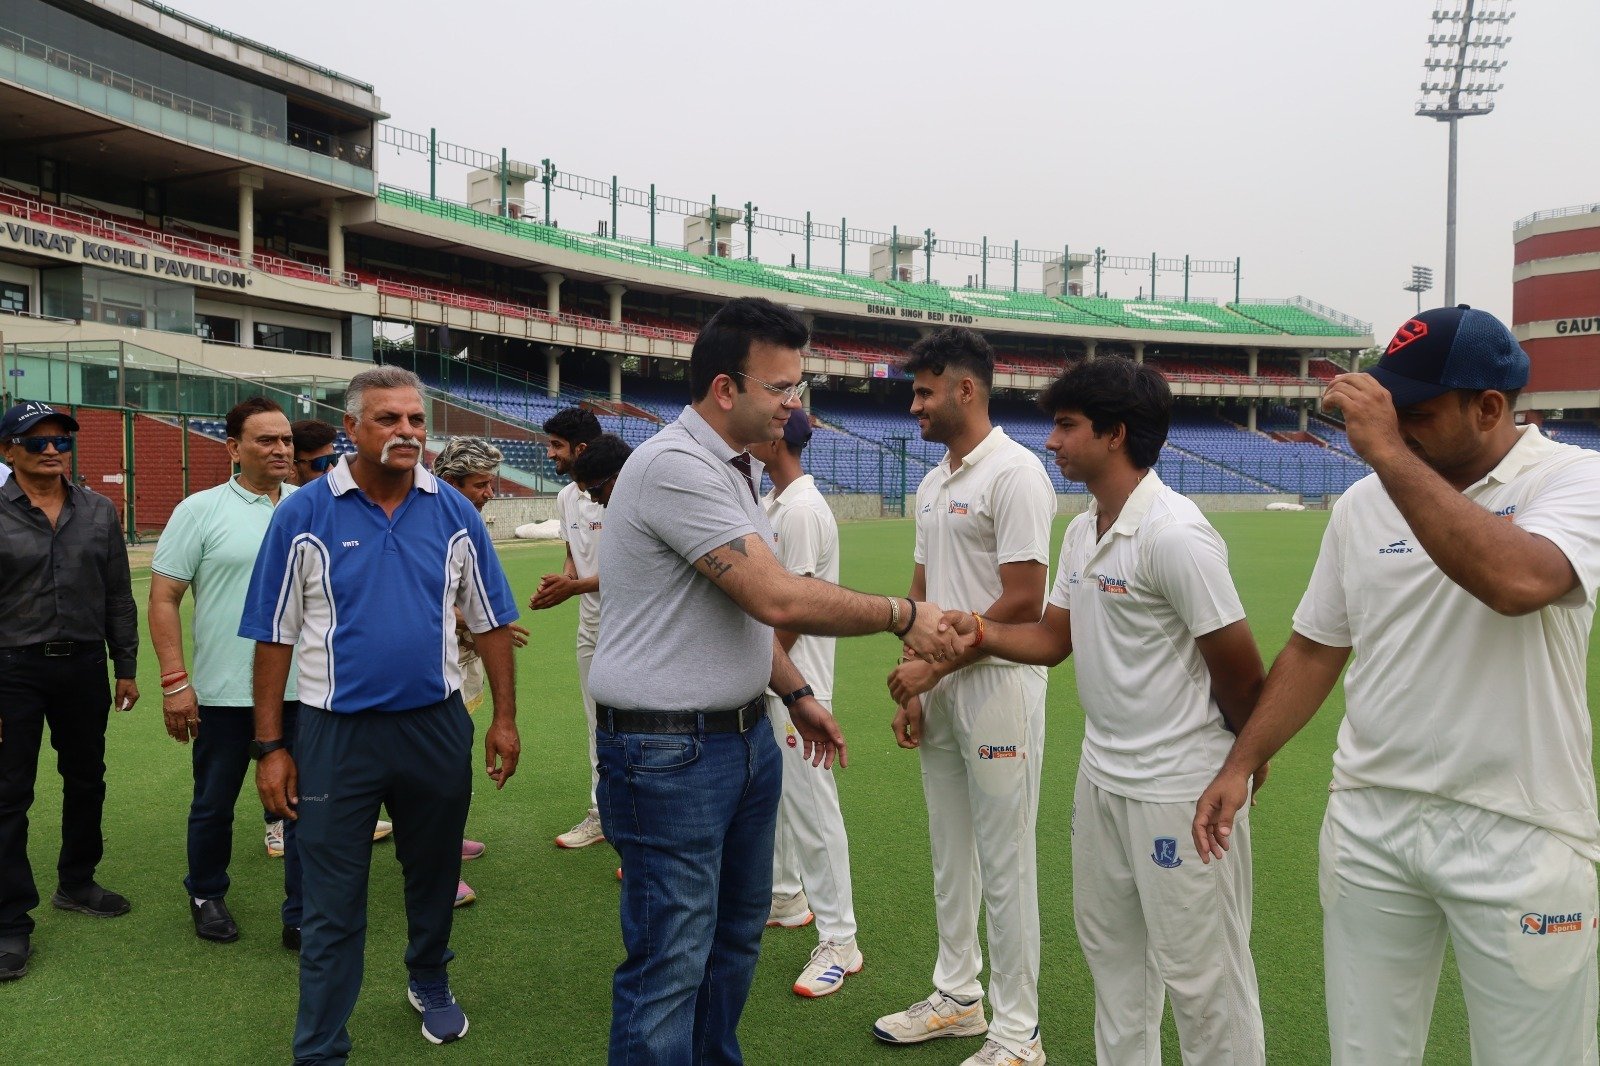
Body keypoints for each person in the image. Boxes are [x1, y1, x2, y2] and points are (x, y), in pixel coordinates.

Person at [1192, 305, 1600, 1066]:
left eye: (1416, 414)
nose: (1394, 430)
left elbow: (1519, 582)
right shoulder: (1363, 503)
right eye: (1387, 410)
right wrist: (1241, 762)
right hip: (1370, 821)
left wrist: (1387, 451)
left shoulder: (1575, 478)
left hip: (1521, 828)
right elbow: (1316, 647)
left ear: (1489, 407)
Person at [586, 296, 958, 1064]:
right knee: (670, 965)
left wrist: (794, 692)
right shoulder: (676, 466)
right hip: (669, 752)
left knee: (730, 945)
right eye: (782, 387)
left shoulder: (735, 470)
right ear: (726, 389)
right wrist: (903, 614)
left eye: (798, 386)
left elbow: (740, 613)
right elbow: (777, 598)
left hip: (737, 739)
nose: (795, 403)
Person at [906, 358, 1268, 1065]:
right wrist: (977, 631)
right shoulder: (1082, 531)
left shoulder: (1174, 534)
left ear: (1115, 434)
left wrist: (1244, 764)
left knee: (1204, 983)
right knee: (1116, 967)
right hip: (1102, 780)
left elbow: (1242, 671)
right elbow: (1051, 640)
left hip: (1178, 790)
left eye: (1067, 426)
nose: (1051, 441)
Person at [241, 366, 522, 1061]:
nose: (406, 432)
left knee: (433, 872)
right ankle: (320, 1046)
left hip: (435, 727)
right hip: (336, 734)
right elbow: (273, 636)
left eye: (416, 420)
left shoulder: (454, 511)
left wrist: (504, 719)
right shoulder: (303, 514)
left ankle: (429, 975)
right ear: (351, 427)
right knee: (332, 900)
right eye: (388, 419)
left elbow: (491, 620)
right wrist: (271, 747)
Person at [871, 326, 1056, 1066]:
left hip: (998, 686)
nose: (915, 406)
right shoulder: (932, 483)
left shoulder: (1015, 473)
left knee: (1005, 861)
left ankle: (1019, 1034)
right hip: (941, 687)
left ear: (966, 389)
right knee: (951, 851)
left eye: (924, 392)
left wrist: (935, 670)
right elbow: (921, 595)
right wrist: (914, 682)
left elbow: (1025, 599)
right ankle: (958, 996)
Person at [149, 397, 306, 950]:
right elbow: (164, 597)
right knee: (214, 802)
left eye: (286, 439)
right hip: (225, 692)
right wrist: (175, 680)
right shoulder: (200, 510)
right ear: (234, 449)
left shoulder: (313, 506)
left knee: (303, 805)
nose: (281, 449)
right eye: (266, 440)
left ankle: (301, 910)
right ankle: (206, 893)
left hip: (303, 689)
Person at [0, 401, 138, 982]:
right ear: (8, 451)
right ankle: (10, 920)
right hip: (12, 670)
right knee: (9, 794)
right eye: (37, 442)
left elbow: (117, 595)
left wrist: (125, 665)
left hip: (82, 666)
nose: (53, 450)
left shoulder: (99, 510)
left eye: (62, 440)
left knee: (86, 777)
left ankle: (77, 882)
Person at [751, 407, 863, 997]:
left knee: (814, 807)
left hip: (798, 682)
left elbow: (788, 609)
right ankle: (787, 896)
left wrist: (765, 670)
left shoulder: (799, 509)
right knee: (782, 797)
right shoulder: (777, 502)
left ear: (776, 441)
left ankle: (841, 939)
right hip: (781, 677)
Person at [269, 416, 390, 857]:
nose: (329, 470)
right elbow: (272, 625)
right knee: (286, 770)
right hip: (281, 676)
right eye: (319, 463)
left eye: (331, 460)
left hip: (331, 683)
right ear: (296, 467)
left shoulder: (350, 507)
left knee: (324, 783)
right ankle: (278, 829)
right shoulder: (295, 514)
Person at [431, 435, 532, 908]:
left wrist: (486, 626)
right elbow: (421, 595)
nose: (490, 493)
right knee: (437, 768)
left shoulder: (465, 519)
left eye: (491, 484)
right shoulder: (423, 520)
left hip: (461, 661)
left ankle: (444, 841)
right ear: (451, 483)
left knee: (451, 757)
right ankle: (435, 866)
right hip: (425, 670)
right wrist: (471, 623)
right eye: (480, 484)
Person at [528, 406, 608, 850]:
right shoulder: (565, 497)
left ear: (581, 448)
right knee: (596, 722)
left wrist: (573, 587)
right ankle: (601, 814)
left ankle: (641, 817)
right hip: (590, 627)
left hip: (633, 628)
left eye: (556, 446)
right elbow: (573, 553)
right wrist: (563, 580)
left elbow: (637, 568)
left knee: (638, 724)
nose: (550, 453)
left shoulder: (620, 490)